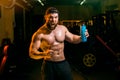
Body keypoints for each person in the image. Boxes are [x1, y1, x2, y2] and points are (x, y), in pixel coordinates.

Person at [29, 7, 89, 80]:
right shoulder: (39, 34)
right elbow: (32, 53)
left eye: (56, 17)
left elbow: (72, 38)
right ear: (45, 17)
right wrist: (43, 54)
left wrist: (81, 37)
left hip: (62, 63)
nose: (53, 20)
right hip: (48, 65)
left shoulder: (62, 29)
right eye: (50, 17)